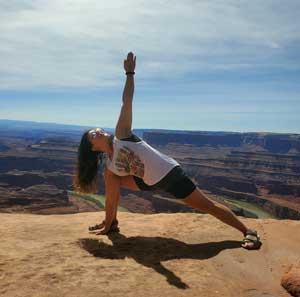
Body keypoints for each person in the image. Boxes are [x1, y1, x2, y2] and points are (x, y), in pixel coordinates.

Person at [74, 52, 262, 250]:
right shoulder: (110, 166)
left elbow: (126, 102)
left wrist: (130, 73)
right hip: (147, 181)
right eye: (92, 135)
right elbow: (112, 198)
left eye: (95, 130)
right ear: (93, 148)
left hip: (169, 174)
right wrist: (108, 216)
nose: (96, 130)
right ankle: (111, 223)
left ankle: (248, 231)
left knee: (207, 206)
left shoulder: (122, 135)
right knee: (111, 179)